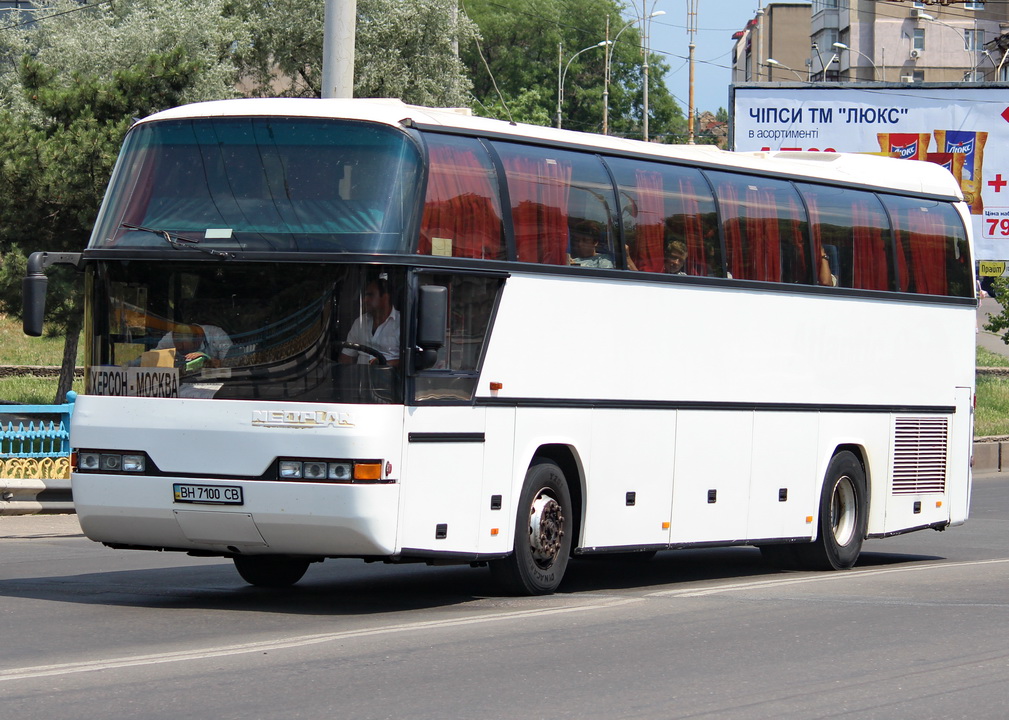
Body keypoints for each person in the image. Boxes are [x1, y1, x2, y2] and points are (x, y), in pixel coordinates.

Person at [339, 276, 401, 366]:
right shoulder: (360, 322)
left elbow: (410, 361)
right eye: (365, 295)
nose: (365, 300)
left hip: (392, 378)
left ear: (385, 297)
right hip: (359, 378)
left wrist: (385, 365)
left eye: (370, 295)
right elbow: (347, 357)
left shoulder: (403, 324)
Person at [155, 323, 232, 369]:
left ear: (197, 339)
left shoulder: (218, 336)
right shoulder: (169, 339)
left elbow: (231, 365)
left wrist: (208, 361)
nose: (179, 348)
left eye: (183, 346)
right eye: (176, 344)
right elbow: (153, 360)